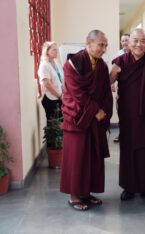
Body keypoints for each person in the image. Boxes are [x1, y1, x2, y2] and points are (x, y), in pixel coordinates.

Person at [60, 30, 113, 211]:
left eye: (105, 45)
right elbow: (76, 93)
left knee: (92, 157)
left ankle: (87, 192)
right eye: (100, 45)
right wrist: (95, 110)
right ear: (88, 43)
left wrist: (105, 111)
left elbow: (106, 91)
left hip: (95, 119)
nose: (104, 49)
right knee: (77, 158)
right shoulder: (72, 64)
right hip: (78, 117)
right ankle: (74, 195)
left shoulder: (102, 66)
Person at [110, 29, 145, 201]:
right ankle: (129, 187)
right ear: (128, 43)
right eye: (135, 40)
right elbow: (107, 81)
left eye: (142, 41)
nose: (138, 44)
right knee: (129, 150)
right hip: (129, 115)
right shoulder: (121, 62)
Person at [38, 41, 63, 131]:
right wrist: (60, 96)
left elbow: (61, 81)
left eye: (57, 50)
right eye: (54, 50)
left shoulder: (56, 64)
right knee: (53, 127)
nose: (56, 51)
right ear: (47, 51)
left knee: (60, 124)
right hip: (50, 98)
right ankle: (52, 145)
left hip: (59, 98)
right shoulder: (44, 65)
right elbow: (47, 84)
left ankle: (61, 145)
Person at [112, 33, 130, 143]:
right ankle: (121, 133)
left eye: (127, 40)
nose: (124, 42)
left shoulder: (135, 53)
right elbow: (114, 72)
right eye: (122, 41)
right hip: (122, 88)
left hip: (134, 89)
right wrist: (112, 83)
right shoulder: (118, 55)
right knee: (121, 111)